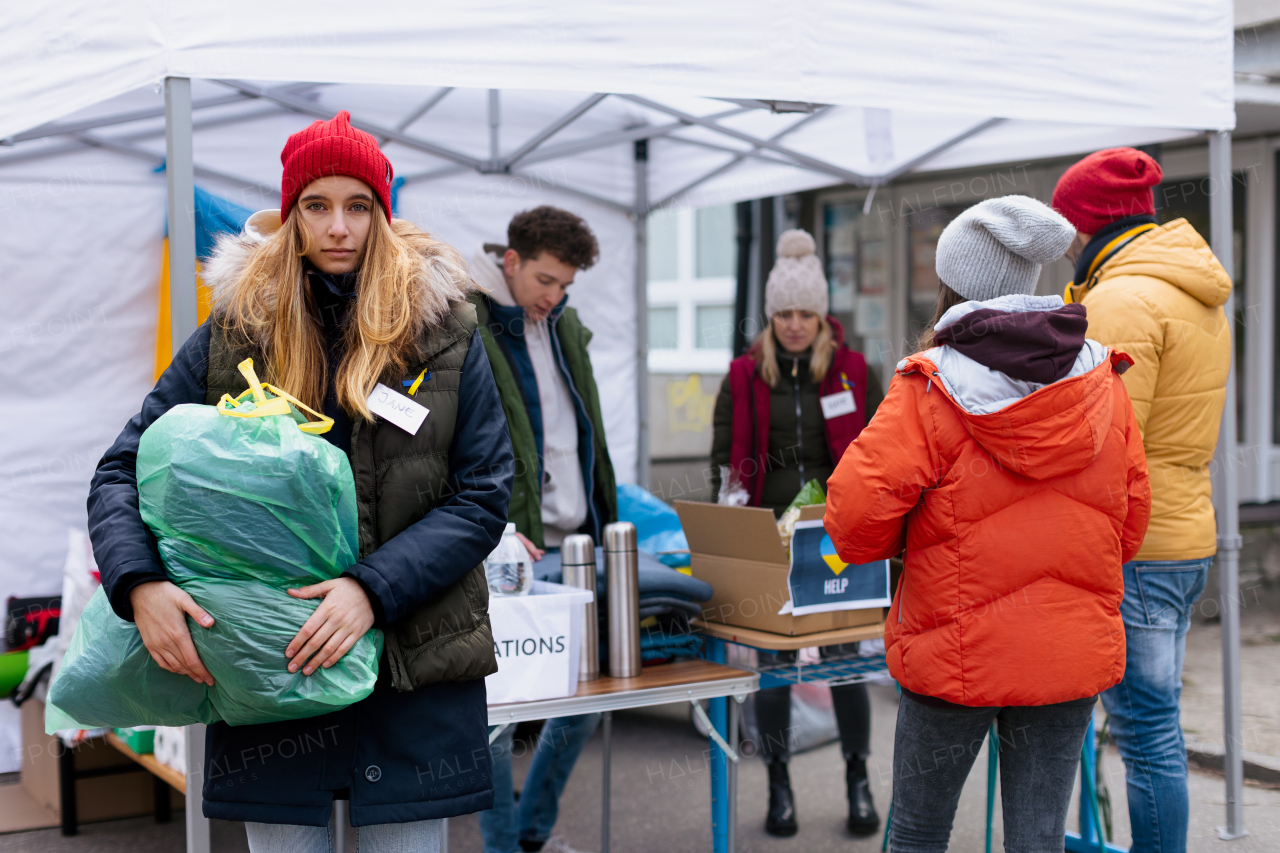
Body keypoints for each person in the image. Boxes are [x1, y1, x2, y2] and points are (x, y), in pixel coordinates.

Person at [87, 112, 512, 852]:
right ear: (290, 218)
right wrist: (139, 582)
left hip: (412, 678)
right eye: (316, 206)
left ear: (383, 213)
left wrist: (371, 588)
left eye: (358, 205)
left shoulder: (445, 330)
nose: (338, 226)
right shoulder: (234, 333)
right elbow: (122, 468)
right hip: (268, 671)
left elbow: (483, 495)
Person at [825, 195, 1151, 853]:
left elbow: (852, 524)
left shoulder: (929, 385)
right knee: (1037, 838)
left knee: (918, 832)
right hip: (1065, 650)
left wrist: (920, 537)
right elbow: (1132, 522)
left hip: (954, 650)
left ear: (955, 283)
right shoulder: (1103, 379)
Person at [1053, 148, 1232, 853]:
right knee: (1157, 724)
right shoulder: (1189, 287)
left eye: (1068, 224)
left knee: (1147, 732)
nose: (1065, 241)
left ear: (1091, 222)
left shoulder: (1123, 299)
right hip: (1183, 534)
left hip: (1136, 545)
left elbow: (1100, 444)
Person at [710, 229, 884, 837]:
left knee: (844, 660)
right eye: (782, 314)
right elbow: (726, 467)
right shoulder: (742, 376)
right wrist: (733, 524)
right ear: (769, 316)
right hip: (770, 539)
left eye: (804, 313)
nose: (793, 325)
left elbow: (884, 452)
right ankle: (779, 785)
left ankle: (858, 779)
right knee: (774, 662)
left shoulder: (854, 372)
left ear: (821, 314)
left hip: (838, 537)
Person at [468, 206, 617, 853]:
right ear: (512, 262)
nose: (553, 296)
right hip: (511, 548)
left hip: (577, 543)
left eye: (565, 286)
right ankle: (504, 842)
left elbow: (587, 434)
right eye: (546, 281)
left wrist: (609, 517)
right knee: (497, 717)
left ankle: (532, 827)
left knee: (585, 702)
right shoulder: (470, 323)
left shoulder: (566, 326)